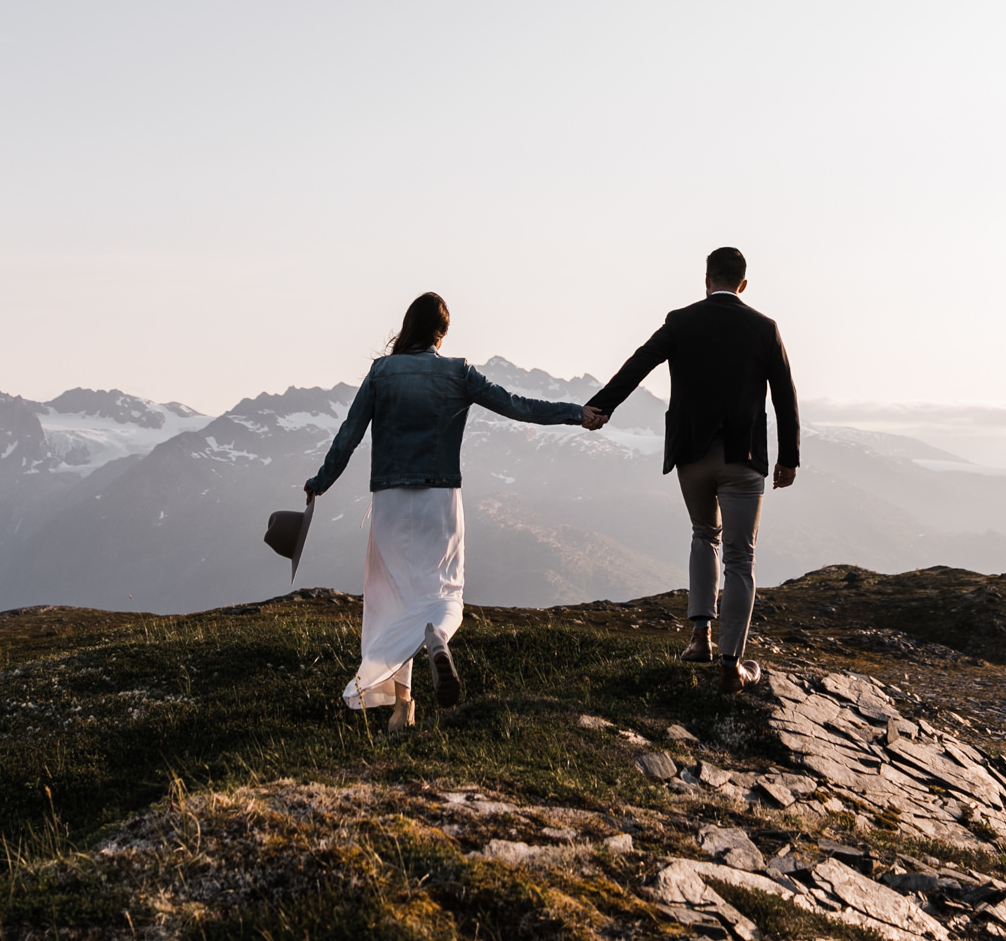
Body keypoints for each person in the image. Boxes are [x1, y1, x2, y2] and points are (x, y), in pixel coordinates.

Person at [306, 291, 591, 731]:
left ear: (408, 327)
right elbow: (519, 407)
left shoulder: (381, 372)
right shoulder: (458, 373)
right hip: (440, 500)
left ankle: (404, 706)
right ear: (442, 334)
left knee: (394, 600)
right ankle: (437, 637)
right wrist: (577, 413)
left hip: (390, 502)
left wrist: (319, 483)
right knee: (445, 592)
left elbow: (348, 436)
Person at [580, 246, 798, 693]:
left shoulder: (681, 321)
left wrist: (601, 406)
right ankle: (731, 664)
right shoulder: (764, 328)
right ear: (743, 284)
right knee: (741, 557)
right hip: (743, 460)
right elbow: (784, 395)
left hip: (692, 457)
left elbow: (639, 363)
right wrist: (789, 456)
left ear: (706, 279)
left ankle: (700, 638)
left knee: (704, 535)